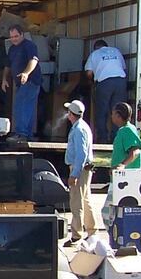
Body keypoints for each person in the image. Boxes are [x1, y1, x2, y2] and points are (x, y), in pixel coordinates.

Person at [63, 100, 96, 246]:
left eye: (68, 111)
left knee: (76, 202)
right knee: (85, 200)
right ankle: (92, 230)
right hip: (84, 168)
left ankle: (76, 235)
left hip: (80, 169)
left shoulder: (78, 130)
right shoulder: (82, 127)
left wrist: (74, 174)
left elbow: (81, 154)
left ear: (71, 114)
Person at [1, 24, 42, 139]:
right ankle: (27, 134)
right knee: (25, 106)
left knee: (22, 106)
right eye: (12, 37)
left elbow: (33, 60)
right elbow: (8, 65)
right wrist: (4, 79)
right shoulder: (12, 48)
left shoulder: (29, 45)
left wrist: (26, 73)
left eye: (16, 36)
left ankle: (21, 133)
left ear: (22, 34)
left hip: (31, 81)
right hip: (20, 83)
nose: (14, 39)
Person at [85, 40, 127, 144]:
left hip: (104, 83)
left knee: (101, 111)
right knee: (118, 111)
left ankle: (102, 139)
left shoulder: (94, 54)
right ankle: (116, 138)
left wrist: (92, 82)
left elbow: (89, 73)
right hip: (120, 81)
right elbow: (123, 67)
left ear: (96, 47)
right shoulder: (116, 51)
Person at [110, 102, 141, 169]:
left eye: (113, 114)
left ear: (118, 116)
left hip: (127, 176)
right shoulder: (124, 129)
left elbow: (135, 150)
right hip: (119, 175)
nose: (111, 116)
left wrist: (122, 165)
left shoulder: (127, 130)